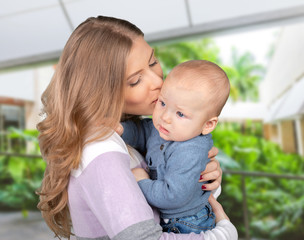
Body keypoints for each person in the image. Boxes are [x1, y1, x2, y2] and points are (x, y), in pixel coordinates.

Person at [37, 16, 238, 240]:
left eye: (153, 62)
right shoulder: (100, 150)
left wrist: (199, 176)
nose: (158, 82)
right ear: (101, 91)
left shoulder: (131, 133)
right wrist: (223, 235)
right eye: (135, 81)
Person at [119, 60, 230, 234]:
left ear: (207, 125)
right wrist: (115, 129)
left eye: (180, 113)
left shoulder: (190, 150)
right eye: (162, 103)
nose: (165, 117)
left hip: (187, 223)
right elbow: (141, 132)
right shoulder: (165, 129)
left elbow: (172, 196)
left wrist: (142, 182)